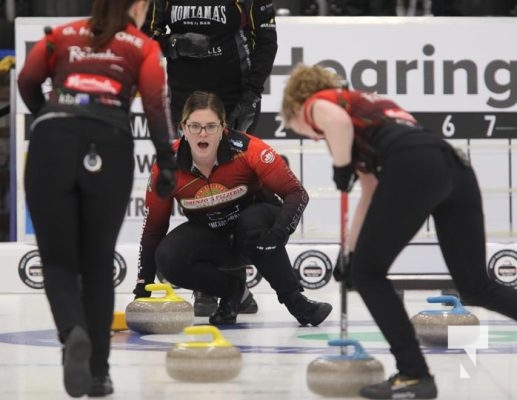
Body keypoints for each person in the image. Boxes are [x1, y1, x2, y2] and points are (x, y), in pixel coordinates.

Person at [281, 63, 517, 400]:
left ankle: (413, 373)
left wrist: (340, 165)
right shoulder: (370, 112)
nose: (313, 135)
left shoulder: (316, 103)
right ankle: (413, 373)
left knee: (369, 275)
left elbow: (335, 123)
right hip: (452, 168)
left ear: (295, 109)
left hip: (413, 165)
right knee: (476, 286)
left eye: (301, 130)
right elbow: (370, 191)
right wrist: (349, 251)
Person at [17, 0, 176, 397]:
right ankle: (100, 373)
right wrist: (167, 165)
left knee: (57, 259)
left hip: (52, 137)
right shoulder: (142, 46)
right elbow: (157, 105)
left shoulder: (61, 36)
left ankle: (72, 333)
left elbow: (26, 80)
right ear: (138, 6)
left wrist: (45, 117)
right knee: (98, 259)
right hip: (110, 141)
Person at [136, 90, 333, 326]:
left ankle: (295, 301)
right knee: (167, 257)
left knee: (251, 222)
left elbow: (296, 193)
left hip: (257, 232)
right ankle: (232, 292)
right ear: (183, 128)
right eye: (195, 126)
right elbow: (152, 232)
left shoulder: (250, 150)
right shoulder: (166, 167)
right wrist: (141, 291)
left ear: (223, 127)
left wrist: (279, 232)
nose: (202, 133)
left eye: (210, 126)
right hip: (213, 237)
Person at [137, 0, 278, 316]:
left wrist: (253, 93)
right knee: (198, 185)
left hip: (233, 97)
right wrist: (172, 43)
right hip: (184, 99)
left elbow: (266, 41)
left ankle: (232, 284)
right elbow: (145, 32)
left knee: (235, 185)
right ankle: (211, 285)